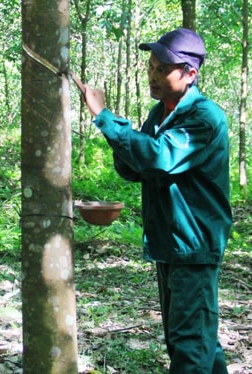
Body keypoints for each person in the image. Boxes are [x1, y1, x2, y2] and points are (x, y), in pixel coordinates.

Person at [83, 28, 231, 373]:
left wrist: (104, 118)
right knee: (197, 343)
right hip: (170, 242)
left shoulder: (204, 117)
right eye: (150, 66)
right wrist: (121, 139)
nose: (153, 75)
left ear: (190, 74)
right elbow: (136, 168)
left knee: (190, 348)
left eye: (163, 69)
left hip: (194, 245)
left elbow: (157, 158)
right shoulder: (160, 112)